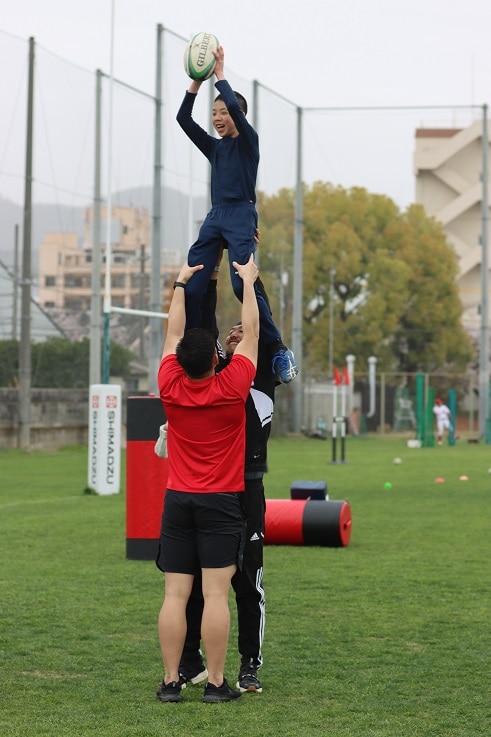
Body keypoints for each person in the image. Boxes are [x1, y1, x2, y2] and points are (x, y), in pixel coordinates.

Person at [155, 254, 259, 704]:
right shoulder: (232, 384)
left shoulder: (169, 384)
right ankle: (217, 684)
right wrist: (249, 283)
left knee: (176, 595)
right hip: (220, 502)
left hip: (178, 500)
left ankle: (171, 682)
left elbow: (172, 331)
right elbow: (251, 333)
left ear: (179, 362)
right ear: (213, 362)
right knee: (216, 594)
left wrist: (180, 284)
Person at [176, 44, 298, 385]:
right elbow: (183, 119)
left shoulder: (248, 142)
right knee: (193, 282)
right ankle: (201, 345)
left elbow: (232, 104)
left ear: (238, 117)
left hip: (241, 214)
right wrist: (195, 82)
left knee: (241, 284)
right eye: (213, 113)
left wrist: (220, 75)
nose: (217, 117)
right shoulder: (215, 148)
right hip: (216, 217)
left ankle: (277, 349)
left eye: (223, 112)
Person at [179, 264, 275, 694]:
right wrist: (240, 280)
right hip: (214, 490)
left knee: (246, 581)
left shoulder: (258, 383)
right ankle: (189, 659)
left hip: (247, 487)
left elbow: (259, 333)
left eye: (244, 339)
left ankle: (249, 664)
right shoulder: (219, 384)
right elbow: (205, 343)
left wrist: (247, 280)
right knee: (197, 581)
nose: (236, 341)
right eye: (225, 344)